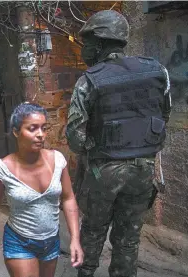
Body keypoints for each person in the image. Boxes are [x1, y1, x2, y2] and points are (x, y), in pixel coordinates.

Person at [65, 10, 171, 277]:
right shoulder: (158, 71)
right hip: (143, 171)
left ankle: (86, 273)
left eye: (88, 43)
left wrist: (95, 146)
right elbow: (163, 116)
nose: (85, 50)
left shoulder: (88, 81)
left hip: (104, 171)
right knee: (128, 238)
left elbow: (75, 139)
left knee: (93, 230)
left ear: (100, 43)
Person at [0, 102, 84, 277]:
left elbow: (68, 198)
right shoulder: (2, 169)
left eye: (44, 128)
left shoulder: (58, 160)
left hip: (51, 241)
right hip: (19, 241)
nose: (40, 135)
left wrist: (75, 238)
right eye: (33, 129)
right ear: (16, 132)